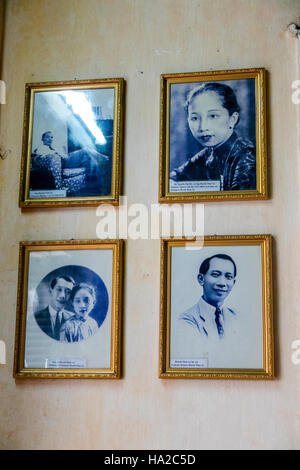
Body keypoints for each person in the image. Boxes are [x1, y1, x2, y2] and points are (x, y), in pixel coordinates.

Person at [170, 82, 256, 191]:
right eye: (195, 118)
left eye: (213, 116)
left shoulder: (248, 158)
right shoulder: (209, 152)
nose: (202, 127)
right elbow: (176, 176)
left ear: (232, 119)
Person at [31, 131, 111, 195]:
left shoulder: (54, 147)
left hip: (66, 159)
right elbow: (45, 157)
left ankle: (95, 183)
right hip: (62, 161)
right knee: (85, 150)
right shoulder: (40, 148)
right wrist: (58, 154)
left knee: (87, 156)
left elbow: (62, 155)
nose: (50, 139)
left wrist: (62, 153)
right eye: (47, 137)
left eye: (51, 137)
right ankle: (103, 158)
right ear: (42, 139)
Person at [179, 254, 237, 339]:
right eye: (215, 274)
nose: (222, 283)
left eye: (228, 277)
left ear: (233, 282)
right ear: (201, 279)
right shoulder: (187, 320)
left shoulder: (238, 318)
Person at [34, 276, 75, 340]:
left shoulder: (73, 319)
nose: (63, 296)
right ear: (51, 291)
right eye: (59, 289)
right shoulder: (36, 317)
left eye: (68, 292)